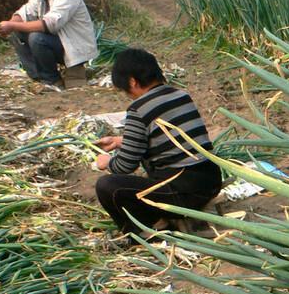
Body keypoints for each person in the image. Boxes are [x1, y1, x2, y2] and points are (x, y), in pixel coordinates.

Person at [92, 48, 222, 242]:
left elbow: (125, 166)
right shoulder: (181, 95)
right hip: (210, 182)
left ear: (132, 81)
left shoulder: (138, 109)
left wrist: (106, 162)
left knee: (107, 186)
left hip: (182, 193)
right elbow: (170, 136)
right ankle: (164, 218)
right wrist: (120, 141)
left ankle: (144, 232)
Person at [0, 0, 97, 91]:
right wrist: (10, 24)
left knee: (37, 38)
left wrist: (12, 25)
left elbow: (49, 24)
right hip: (58, 42)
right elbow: (26, 12)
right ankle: (38, 77)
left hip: (74, 47)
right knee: (16, 32)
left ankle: (52, 80)